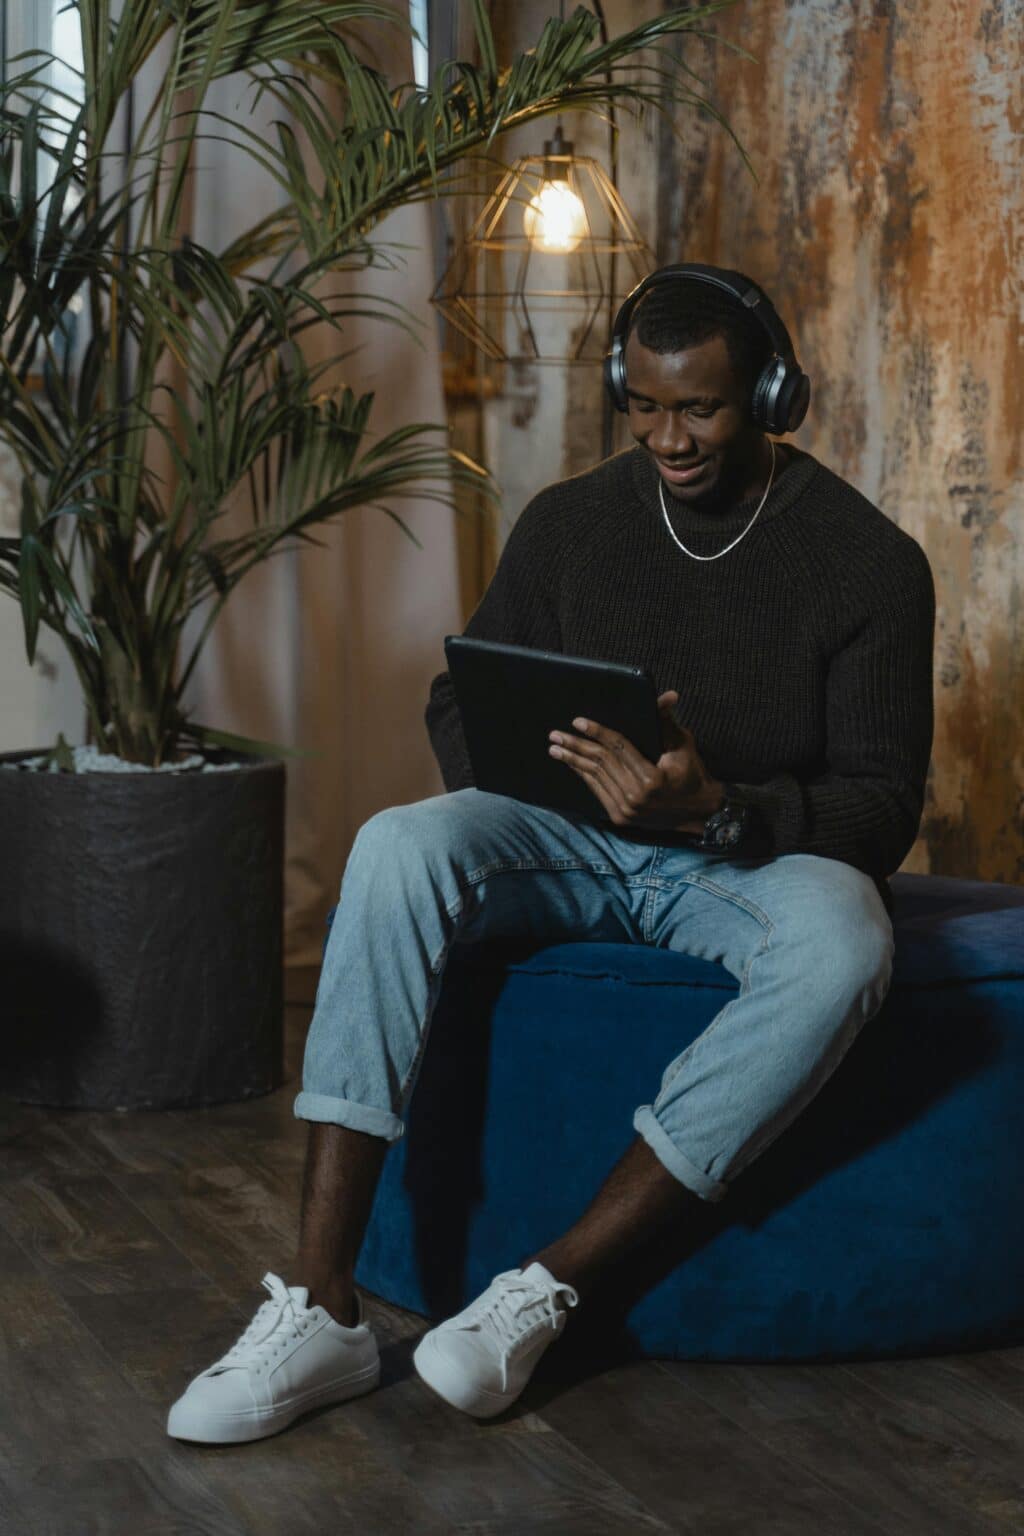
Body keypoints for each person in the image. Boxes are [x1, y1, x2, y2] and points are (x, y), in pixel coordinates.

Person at [168, 264, 935, 1444]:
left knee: (845, 944)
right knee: (396, 845)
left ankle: (543, 1290)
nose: (666, 437)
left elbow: (880, 809)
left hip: (741, 861)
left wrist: (717, 805)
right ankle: (319, 1308)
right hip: (571, 837)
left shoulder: (868, 561)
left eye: (701, 409)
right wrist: (547, 777)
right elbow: (455, 701)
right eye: (643, 404)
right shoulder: (571, 521)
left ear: (773, 396)